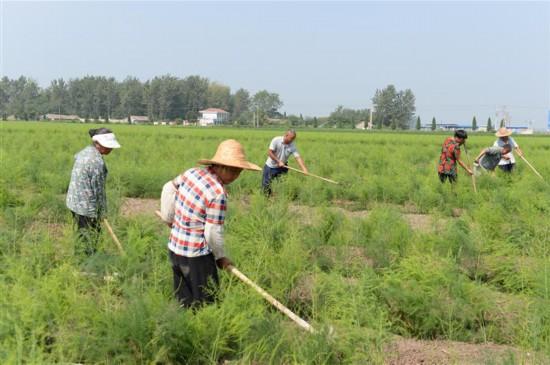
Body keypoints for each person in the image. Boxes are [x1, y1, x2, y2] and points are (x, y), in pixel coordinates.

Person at [168, 139, 260, 307]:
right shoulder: (218, 193)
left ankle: (185, 329)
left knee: (184, 301)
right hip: (196, 257)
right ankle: (205, 332)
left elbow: (168, 188)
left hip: (175, 249)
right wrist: (221, 257)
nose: (236, 176)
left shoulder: (192, 173)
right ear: (225, 169)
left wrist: (169, 218)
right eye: (236, 172)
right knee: (207, 304)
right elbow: (212, 232)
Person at [66, 128, 121, 255]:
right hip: (86, 207)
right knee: (91, 235)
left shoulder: (84, 152)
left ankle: (81, 257)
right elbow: (98, 191)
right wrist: (101, 212)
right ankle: (88, 261)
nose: (110, 149)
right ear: (97, 143)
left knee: (82, 232)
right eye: (107, 146)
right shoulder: (96, 162)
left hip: (74, 202)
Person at [262, 129, 308, 195]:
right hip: (270, 166)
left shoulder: (292, 145)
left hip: (282, 167)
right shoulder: (276, 140)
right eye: (291, 138)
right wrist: (278, 161)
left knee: (282, 184)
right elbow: (270, 152)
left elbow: (298, 158)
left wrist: (304, 169)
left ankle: (279, 197)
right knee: (266, 185)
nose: (292, 140)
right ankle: (266, 199)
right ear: (286, 135)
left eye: (293, 139)